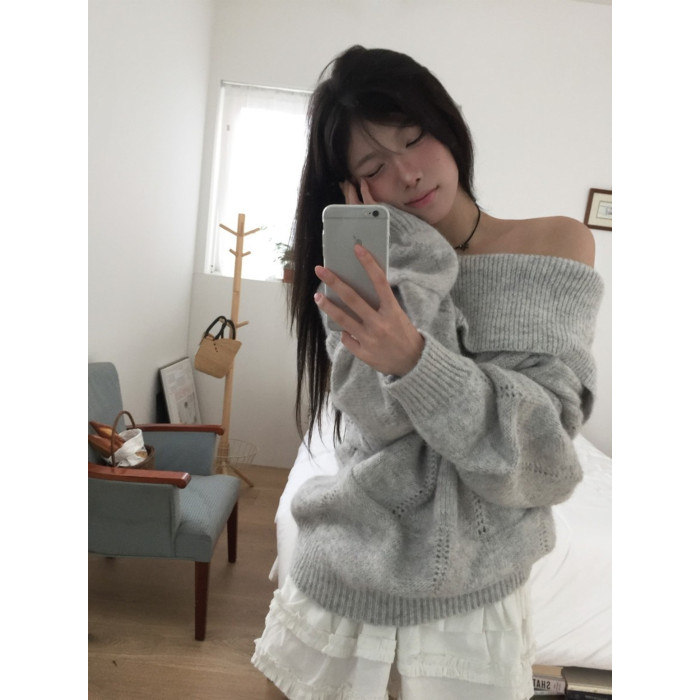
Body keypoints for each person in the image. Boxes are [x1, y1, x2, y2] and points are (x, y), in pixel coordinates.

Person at [251, 45, 603, 700]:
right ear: (353, 188)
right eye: (374, 167)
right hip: (345, 555)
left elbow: (542, 453)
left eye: (414, 139)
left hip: (478, 584)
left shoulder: (556, 244)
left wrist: (415, 359)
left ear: (449, 125)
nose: (408, 173)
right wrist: (403, 249)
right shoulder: (362, 268)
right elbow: (379, 424)